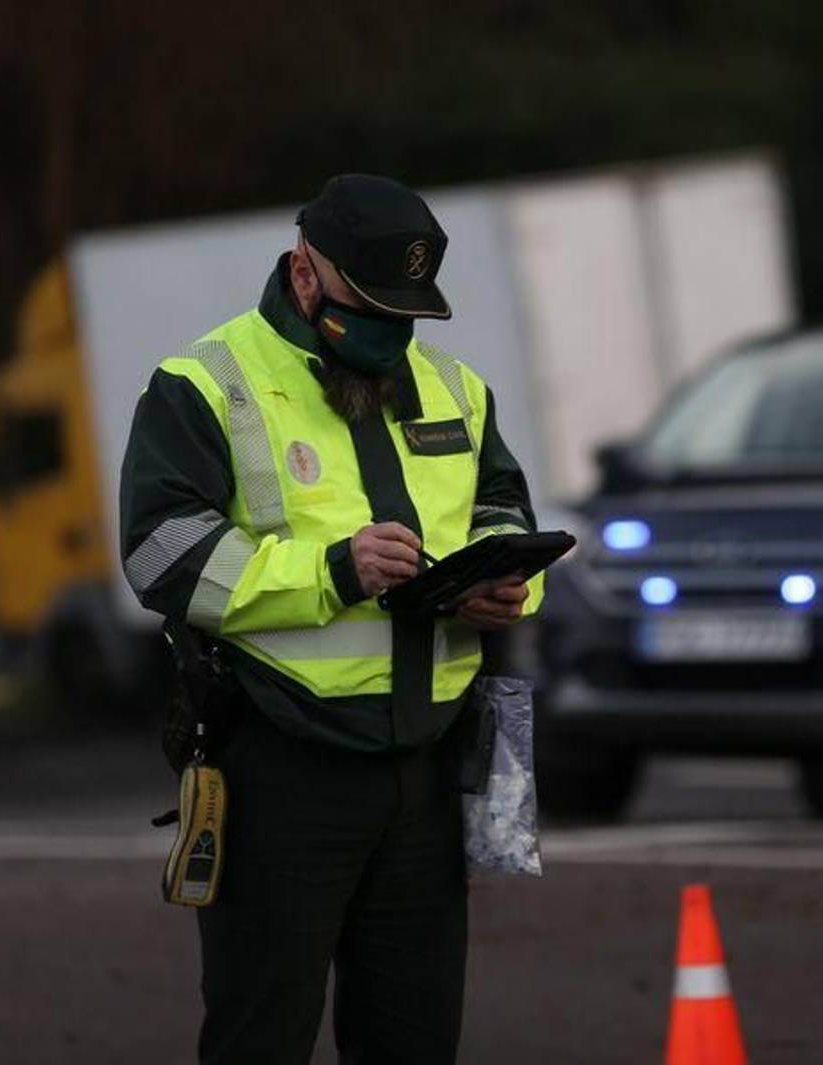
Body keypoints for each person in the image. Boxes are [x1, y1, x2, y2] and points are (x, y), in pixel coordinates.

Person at [119, 173, 541, 1063]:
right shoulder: (205, 383)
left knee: (415, 1038)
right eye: (369, 311)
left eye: (407, 315)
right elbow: (158, 552)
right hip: (282, 764)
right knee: (261, 1034)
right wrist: (332, 571)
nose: (389, 340)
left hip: (427, 769)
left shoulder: (454, 387)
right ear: (304, 272)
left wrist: (505, 580)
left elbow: (501, 502)